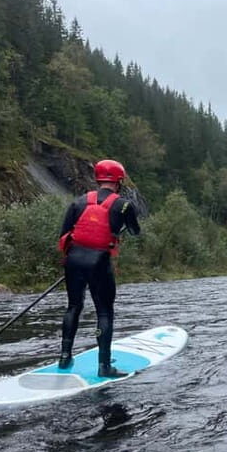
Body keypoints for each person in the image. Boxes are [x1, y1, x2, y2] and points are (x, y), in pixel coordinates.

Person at [56, 159, 141, 378]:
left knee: (73, 306)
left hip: (74, 261)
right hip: (99, 262)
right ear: (119, 181)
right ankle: (104, 365)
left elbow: (65, 233)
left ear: (98, 178)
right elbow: (134, 231)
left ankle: (65, 357)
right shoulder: (123, 204)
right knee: (104, 311)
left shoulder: (79, 201)